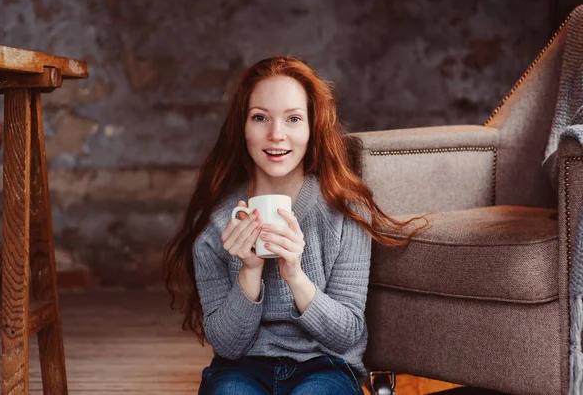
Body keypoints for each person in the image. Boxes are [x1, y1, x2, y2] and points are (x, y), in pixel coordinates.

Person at [163, 56, 429, 394]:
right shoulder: (218, 223)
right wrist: (249, 271)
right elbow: (227, 347)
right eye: (260, 118)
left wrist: (295, 274)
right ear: (241, 128)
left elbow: (346, 334)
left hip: (326, 366)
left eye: (293, 119)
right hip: (241, 368)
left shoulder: (346, 212)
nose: (276, 135)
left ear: (311, 128)